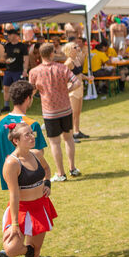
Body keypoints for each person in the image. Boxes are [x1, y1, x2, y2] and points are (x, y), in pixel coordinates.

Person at [0, 80, 53, 257]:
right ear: (28, 98)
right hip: (28, 181)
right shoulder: (31, 124)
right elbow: (39, 155)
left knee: (17, 213)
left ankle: (12, 250)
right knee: (27, 219)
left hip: (8, 179)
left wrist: (6, 154)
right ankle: (29, 253)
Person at [1, 121, 56, 257]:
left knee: (36, 252)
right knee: (12, 248)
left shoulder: (37, 154)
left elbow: (47, 169)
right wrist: (15, 224)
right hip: (21, 210)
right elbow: (14, 195)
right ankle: (28, 250)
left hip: (40, 207)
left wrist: (47, 183)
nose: (32, 137)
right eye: (27, 135)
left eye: (32, 133)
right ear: (16, 141)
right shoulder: (11, 163)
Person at [28, 43, 81, 182]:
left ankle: (60, 173)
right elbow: (77, 83)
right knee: (68, 139)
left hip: (49, 112)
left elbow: (31, 91)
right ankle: (72, 168)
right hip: (65, 109)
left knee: (55, 143)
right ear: (52, 53)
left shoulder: (34, 72)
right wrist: (67, 90)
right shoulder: (62, 68)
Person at [62, 40, 89, 140]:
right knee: (73, 113)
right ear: (69, 50)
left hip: (80, 87)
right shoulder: (68, 62)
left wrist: (87, 78)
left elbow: (79, 74)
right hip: (73, 89)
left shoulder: (76, 59)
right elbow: (63, 76)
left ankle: (77, 131)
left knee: (78, 112)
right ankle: (70, 134)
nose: (77, 48)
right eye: (75, 47)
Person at [1, 28, 31, 113]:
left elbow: (26, 59)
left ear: (14, 35)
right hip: (8, 70)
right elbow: (4, 56)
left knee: (19, 89)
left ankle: (20, 105)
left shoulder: (22, 46)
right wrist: (5, 60)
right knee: (6, 88)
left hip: (18, 71)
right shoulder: (7, 46)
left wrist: (25, 70)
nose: (8, 37)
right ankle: (6, 106)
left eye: (9, 35)